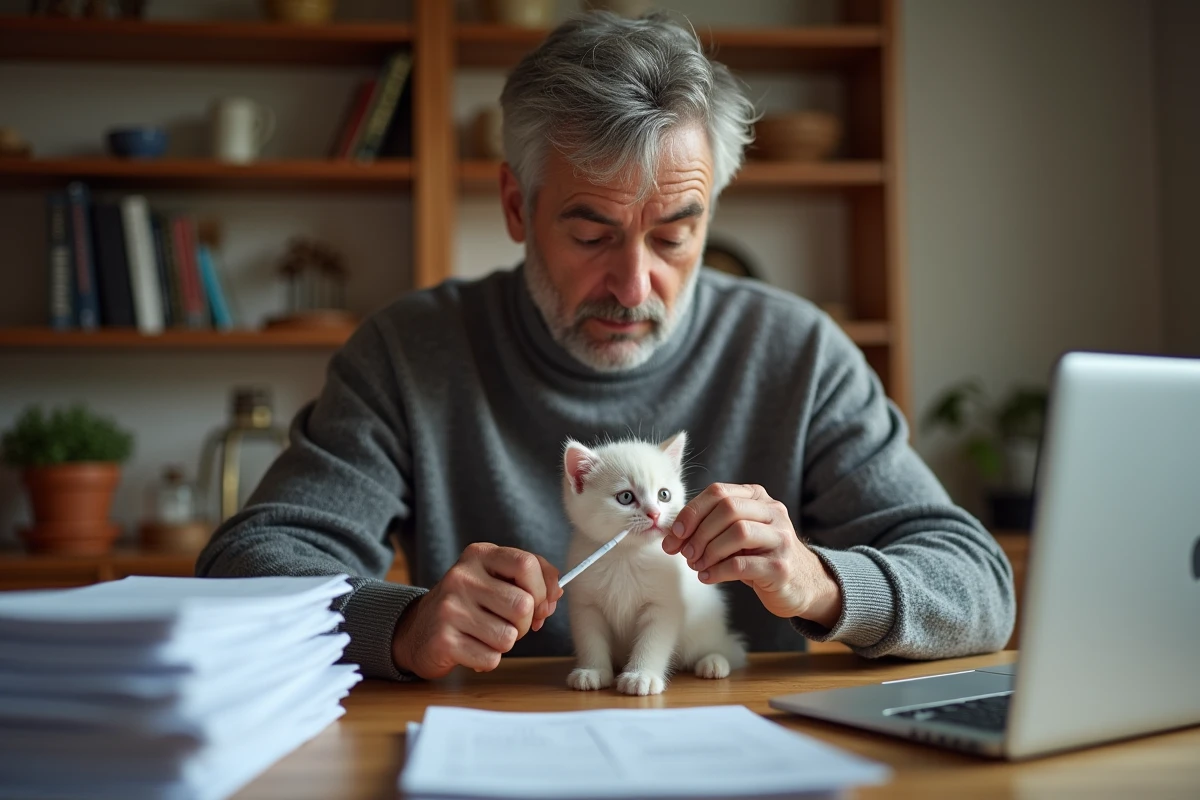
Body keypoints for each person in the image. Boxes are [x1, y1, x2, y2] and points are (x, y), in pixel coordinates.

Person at [197, 11, 1015, 681]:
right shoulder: (409, 353)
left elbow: (977, 585)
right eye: (592, 234)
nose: (632, 285)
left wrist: (819, 581)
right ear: (516, 206)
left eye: (674, 236)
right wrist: (403, 624)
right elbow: (244, 569)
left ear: (710, 213)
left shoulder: (799, 352)